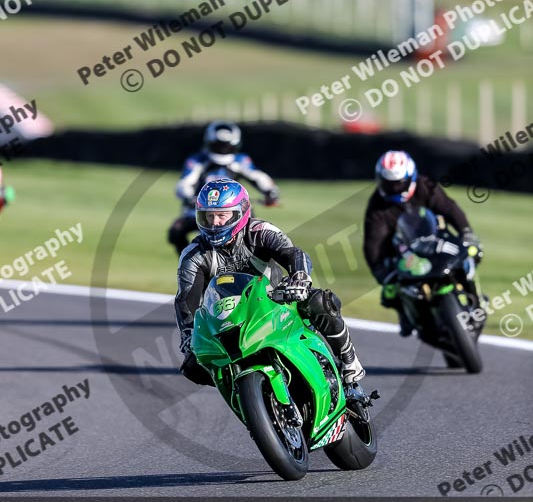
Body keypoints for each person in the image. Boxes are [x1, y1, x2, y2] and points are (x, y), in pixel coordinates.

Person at [175, 178, 365, 396]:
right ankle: (244, 398)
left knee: (321, 302)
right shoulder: (193, 255)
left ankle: (350, 363)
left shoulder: (260, 231)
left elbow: (292, 253)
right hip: (231, 318)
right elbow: (186, 300)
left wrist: (299, 278)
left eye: (221, 215)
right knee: (193, 366)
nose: (215, 223)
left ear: (240, 213)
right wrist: (189, 335)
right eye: (208, 216)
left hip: (277, 302)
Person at [363, 150, 483, 336]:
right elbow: (373, 243)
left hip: (437, 237)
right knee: (390, 291)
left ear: (411, 177)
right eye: (389, 183)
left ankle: (474, 295)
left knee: (472, 254)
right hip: (404, 250)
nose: (394, 188)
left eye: (398, 183)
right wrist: (381, 271)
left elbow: (451, 210)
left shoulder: (426, 186)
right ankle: (406, 313)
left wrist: (466, 233)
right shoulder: (377, 207)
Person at [168, 121, 280, 255]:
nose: (222, 149)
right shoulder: (197, 160)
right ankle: (187, 261)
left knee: (256, 234)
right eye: (218, 146)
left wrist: (270, 191)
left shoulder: (240, 160)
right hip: (202, 212)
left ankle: (255, 265)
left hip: (235, 212)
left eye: (226, 146)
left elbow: (258, 177)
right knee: (176, 231)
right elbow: (184, 183)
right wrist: (189, 197)